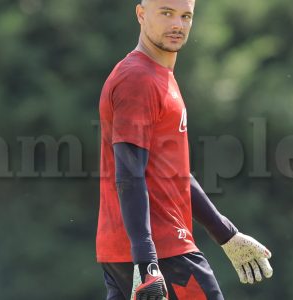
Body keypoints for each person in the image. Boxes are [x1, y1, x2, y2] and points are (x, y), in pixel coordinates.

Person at [96, 0, 273, 299]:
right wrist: (147, 263)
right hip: (161, 254)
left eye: (185, 16)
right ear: (141, 14)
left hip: (137, 252)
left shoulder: (159, 76)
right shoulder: (137, 78)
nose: (177, 24)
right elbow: (129, 174)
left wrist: (226, 234)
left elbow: (173, 174)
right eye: (166, 13)